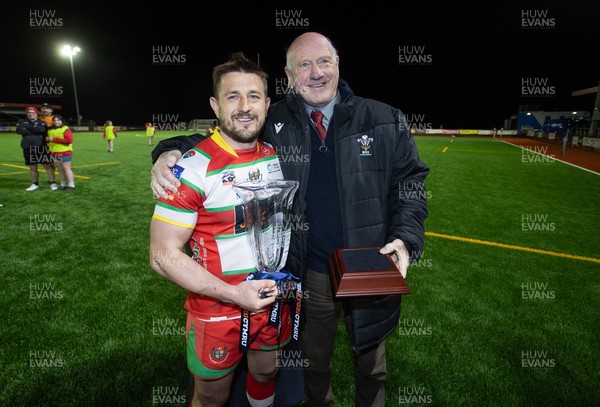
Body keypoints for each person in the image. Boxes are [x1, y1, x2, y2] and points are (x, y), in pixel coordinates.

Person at [151, 32, 429, 407]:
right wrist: (167, 151)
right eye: (304, 64)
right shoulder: (276, 118)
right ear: (289, 75)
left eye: (324, 62)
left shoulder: (382, 118)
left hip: (370, 263)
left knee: (372, 362)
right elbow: (228, 134)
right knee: (313, 360)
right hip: (310, 268)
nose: (316, 73)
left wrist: (406, 238)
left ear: (337, 65)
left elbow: (410, 183)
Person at [149, 52, 292, 407]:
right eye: (233, 96)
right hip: (216, 308)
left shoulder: (280, 156)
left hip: (274, 298)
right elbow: (162, 256)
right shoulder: (191, 168)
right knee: (211, 396)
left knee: (265, 372)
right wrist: (232, 295)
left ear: (267, 103)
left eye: (254, 96)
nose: (244, 106)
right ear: (215, 105)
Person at [16, 106, 58, 191]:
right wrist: (34, 129)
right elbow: (19, 131)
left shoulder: (42, 122)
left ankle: (52, 183)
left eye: (33, 112)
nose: (31, 114)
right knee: (32, 167)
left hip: (41, 147)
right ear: (27, 114)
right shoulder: (22, 121)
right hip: (27, 147)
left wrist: (28, 128)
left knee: (47, 166)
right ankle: (35, 184)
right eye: (29, 113)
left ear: (36, 114)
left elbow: (41, 130)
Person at [46, 115, 75, 190]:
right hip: (55, 152)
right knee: (59, 169)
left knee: (66, 168)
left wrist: (53, 139)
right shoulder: (50, 130)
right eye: (54, 120)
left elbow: (69, 140)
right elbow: (49, 140)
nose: (56, 122)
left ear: (62, 121)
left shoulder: (65, 129)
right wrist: (48, 139)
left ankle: (71, 185)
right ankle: (62, 184)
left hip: (65, 152)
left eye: (58, 120)